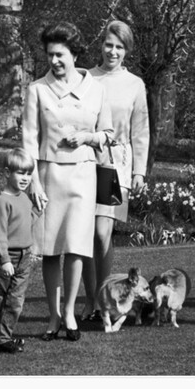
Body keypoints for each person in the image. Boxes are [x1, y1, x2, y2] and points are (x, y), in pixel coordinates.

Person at [22, 22, 113, 342]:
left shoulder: (96, 89)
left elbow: (109, 134)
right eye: (50, 55)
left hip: (83, 177)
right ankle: (53, 317)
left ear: (74, 53)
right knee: (49, 250)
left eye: (60, 54)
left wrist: (88, 137)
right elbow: (29, 141)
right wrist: (32, 181)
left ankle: (71, 313)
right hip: (48, 177)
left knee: (75, 248)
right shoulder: (37, 89)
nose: (54, 61)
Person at [80, 20, 150, 321]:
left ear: (126, 50)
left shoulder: (135, 84)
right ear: (102, 45)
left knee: (102, 233)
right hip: (84, 162)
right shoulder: (85, 77)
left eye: (119, 47)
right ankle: (90, 301)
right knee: (83, 234)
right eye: (109, 44)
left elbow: (141, 131)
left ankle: (103, 298)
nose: (113, 51)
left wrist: (139, 172)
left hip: (115, 166)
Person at [0, 148, 38, 354]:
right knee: (0, 298)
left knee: (16, 299)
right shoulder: (3, 201)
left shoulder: (24, 198)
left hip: (24, 256)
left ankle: (3, 338)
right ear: (7, 173)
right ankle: (2, 339)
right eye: (20, 173)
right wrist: (5, 259)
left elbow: (27, 222)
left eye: (28, 173)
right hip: (6, 257)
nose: (25, 178)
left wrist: (38, 210)